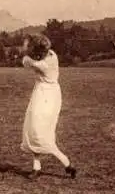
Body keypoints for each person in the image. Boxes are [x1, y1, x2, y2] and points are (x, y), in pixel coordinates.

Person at [20, 34, 77, 180]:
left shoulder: (41, 64)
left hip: (45, 96)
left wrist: (28, 49)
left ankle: (66, 163)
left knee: (39, 133)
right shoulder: (52, 54)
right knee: (34, 130)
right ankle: (37, 167)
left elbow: (25, 60)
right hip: (46, 94)